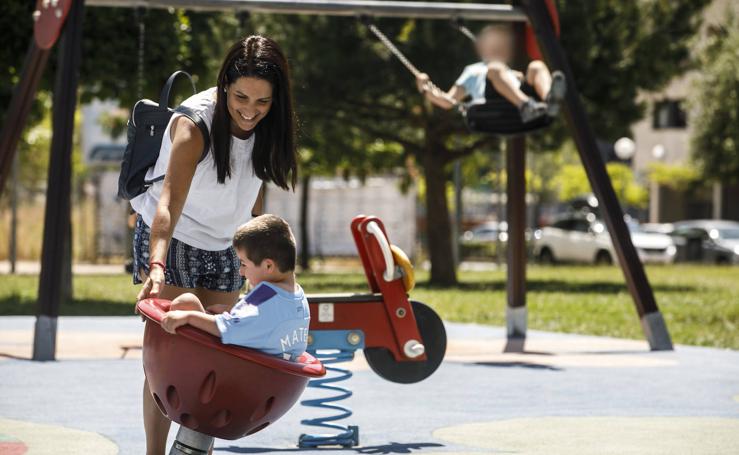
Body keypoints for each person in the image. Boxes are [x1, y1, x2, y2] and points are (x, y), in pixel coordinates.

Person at [131, 35, 298, 455]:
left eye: (262, 102)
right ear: (225, 84)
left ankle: (192, 450)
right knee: (171, 361)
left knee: (222, 357)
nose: (249, 110)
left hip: (227, 245)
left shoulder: (268, 126)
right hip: (176, 238)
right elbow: (167, 202)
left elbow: (251, 196)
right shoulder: (195, 124)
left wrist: (267, 257)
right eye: (240, 97)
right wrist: (156, 265)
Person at [161, 215, 309, 361]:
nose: (241, 271)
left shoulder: (267, 301)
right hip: (274, 376)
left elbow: (230, 328)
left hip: (239, 370)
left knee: (187, 303)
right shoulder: (296, 295)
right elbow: (264, 324)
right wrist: (232, 312)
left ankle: (168, 366)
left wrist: (189, 317)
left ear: (268, 265)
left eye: (244, 264)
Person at [415, 23, 565, 123]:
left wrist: (516, 77)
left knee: (536, 66)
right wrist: (425, 89)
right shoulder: (474, 70)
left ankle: (550, 100)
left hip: (518, 99)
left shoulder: (506, 70)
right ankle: (526, 106)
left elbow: (512, 77)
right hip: (491, 103)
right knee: (495, 68)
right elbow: (448, 101)